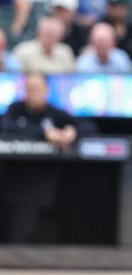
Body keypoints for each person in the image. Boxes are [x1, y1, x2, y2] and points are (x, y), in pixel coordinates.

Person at [0, 73, 77, 242]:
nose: (33, 93)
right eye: (30, 89)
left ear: (46, 90)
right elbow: (7, 127)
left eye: (37, 89)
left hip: (42, 182)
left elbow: (87, 126)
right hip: (12, 179)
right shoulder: (16, 109)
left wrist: (71, 131)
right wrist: (44, 133)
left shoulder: (55, 112)